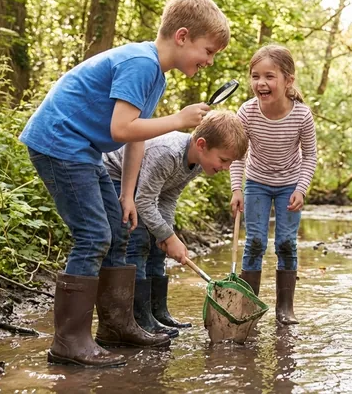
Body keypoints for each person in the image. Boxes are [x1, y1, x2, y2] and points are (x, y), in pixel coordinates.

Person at [19, 0, 230, 366]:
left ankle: (116, 327)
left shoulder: (157, 77)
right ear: (182, 37)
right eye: (208, 51)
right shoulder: (141, 64)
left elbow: (137, 137)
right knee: (93, 235)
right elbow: (121, 128)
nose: (210, 61)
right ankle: (69, 342)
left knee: (119, 229)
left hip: (83, 149)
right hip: (59, 142)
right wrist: (179, 120)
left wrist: (128, 195)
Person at [103, 111, 247, 337]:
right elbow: (143, 201)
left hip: (145, 190)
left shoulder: (196, 162)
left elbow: (168, 197)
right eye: (224, 160)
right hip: (117, 177)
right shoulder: (168, 153)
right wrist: (169, 237)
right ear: (202, 145)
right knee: (138, 241)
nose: (227, 168)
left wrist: (166, 235)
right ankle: (139, 318)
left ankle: (157, 313)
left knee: (157, 246)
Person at [229, 45, 317, 325]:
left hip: (290, 185)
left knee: (286, 243)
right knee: (255, 242)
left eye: (269, 76)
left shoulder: (302, 115)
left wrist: (301, 188)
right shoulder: (247, 112)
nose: (261, 83)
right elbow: (237, 154)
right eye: (255, 76)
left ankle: (285, 309)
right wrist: (236, 189)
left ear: (288, 80)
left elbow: (310, 156)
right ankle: (248, 308)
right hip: (256, 183)